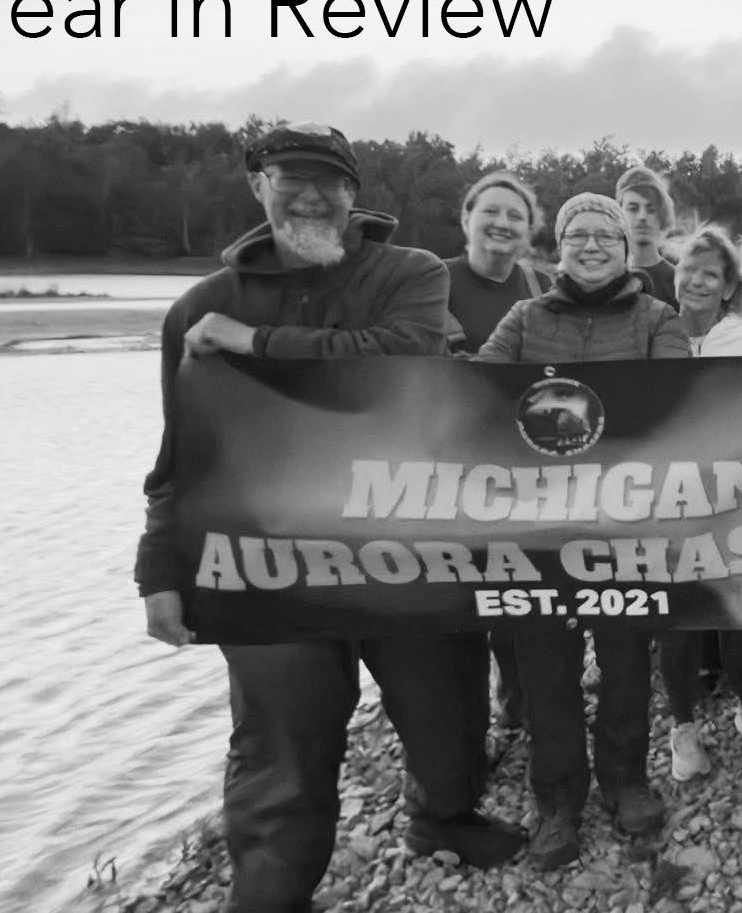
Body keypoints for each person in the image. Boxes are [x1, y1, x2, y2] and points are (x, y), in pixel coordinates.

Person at [137, 123, 525, 913]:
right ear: (258, 186)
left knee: (449, 710)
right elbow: (182, 450)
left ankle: (441, 817)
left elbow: (406, 355)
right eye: (290, 178)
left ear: (354, 194)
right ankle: (269, 892)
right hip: (265, 562)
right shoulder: (200, 308)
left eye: (328, 182)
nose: (310, 195)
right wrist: (159, 570)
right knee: (280, 746)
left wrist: (257, 342)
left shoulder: (407, 271)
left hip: (409, 547)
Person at [473, 191, 690, 869]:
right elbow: (473, 394)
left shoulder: (659, 318)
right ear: (557, 247)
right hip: (536, 527)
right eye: (577, 235)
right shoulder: (523, 316)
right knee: (546, 670)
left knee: (626, 663)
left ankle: (625, 778)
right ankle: (557, 799)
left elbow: (688, 401)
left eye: (606, 235)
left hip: (629, 525)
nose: (592, 245)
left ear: (627, 250)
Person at [655, 226, 742, 780]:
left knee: (738, 605)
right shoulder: (652, 328)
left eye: (712, 273)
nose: (698, 280)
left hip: (730, 497)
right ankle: (681, 723)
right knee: (678, 613)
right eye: (689, 268)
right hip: (661, 497)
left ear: (730, 285)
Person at [445, 171, 550, 738]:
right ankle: (460, 733)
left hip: (524, 467)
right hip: (451, 466)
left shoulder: (538, 284)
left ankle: (516, 708)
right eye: (492, 211)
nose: (503, 223)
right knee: (461, 602)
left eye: (516, 215)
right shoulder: (432, 282)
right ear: (467, 216)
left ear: (529, 230)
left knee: (520, 591)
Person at [616, 165, 679, 304]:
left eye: (651, 209)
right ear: (619, 213)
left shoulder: (678, 282)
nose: (642, 217)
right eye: (633, 209)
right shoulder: (606, 279)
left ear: (662, 215)